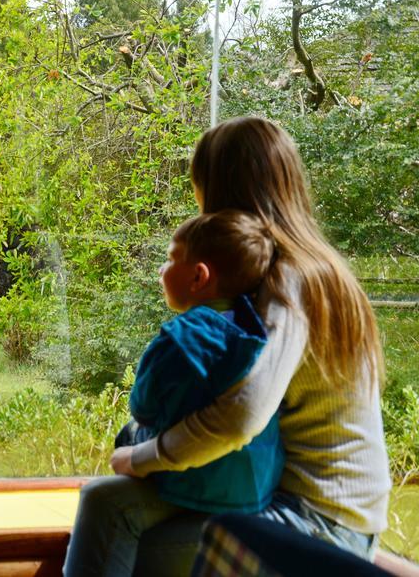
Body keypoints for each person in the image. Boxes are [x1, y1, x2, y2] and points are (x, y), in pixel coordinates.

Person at [63, 117, 390, 577]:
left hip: (321, 528)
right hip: (280, 500)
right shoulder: (300, 267)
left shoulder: (291, 282)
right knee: (105, 503)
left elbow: (243, 414)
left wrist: (144, 455)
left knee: (130, 538)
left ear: (221, 192)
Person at [114, 209, 283, 518]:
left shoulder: (178, 338)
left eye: (169, 259)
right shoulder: (260, 333)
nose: (161, 271)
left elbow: (143, 407)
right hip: (254, 489)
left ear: (198, 276)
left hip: (194, 483)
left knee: (129, 433)